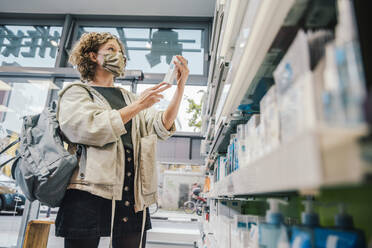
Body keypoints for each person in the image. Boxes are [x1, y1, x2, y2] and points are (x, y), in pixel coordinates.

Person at [54, 32, 189, 248]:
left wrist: (180, 87)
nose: (119, 56)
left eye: (121, 52)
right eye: (111, 49)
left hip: (130, 191)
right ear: (91, 56)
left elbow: (160, 126)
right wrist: (139, 106)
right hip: (88, 192)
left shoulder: (128, 97)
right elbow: (89, 128)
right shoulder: (76, 93)